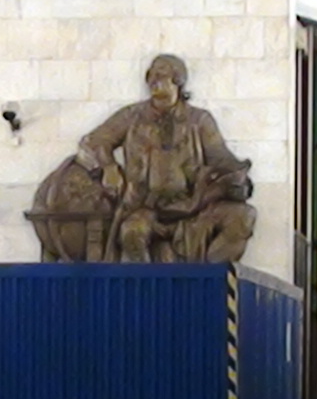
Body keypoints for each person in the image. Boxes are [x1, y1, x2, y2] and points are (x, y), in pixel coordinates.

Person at [72, 54, 256, 263]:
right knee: (132, 232)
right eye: (150, 75)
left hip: (193, 208)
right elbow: (94, 142)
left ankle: (211, 277)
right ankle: (147, 284)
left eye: (161, 75)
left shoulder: (199, 120)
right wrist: (109, 167)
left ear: (178, 80)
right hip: (145, 207)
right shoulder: (132, 116)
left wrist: (238, 182)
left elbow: (222, 161)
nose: (153, 80)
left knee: (243, 217)